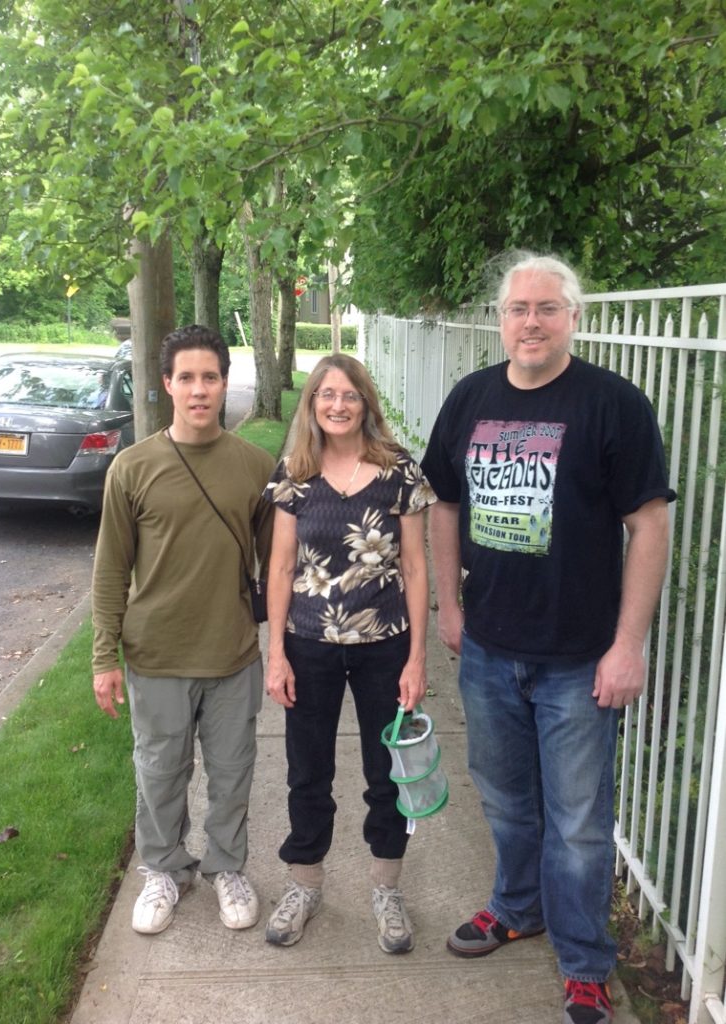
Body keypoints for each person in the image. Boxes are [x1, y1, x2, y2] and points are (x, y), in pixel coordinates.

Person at [420, 254, 675, 1024]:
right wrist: (447, 609)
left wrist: (627, 645)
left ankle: (584, 962)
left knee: (578, 825)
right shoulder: (470, 399)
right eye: (516, 308)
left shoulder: (612, 405)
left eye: (546, 308)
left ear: (573, 317)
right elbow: (442, 507)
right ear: (499, 319)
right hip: (490, 649)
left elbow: (649, 524)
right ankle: (516, 906)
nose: (530, 321)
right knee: (505, 802)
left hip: (578, 660)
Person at [91, 324, 274, 936]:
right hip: (156, 654)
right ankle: (165, 869)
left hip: (232, 655)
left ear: (225, 384)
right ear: (167, 385)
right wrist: (103, 657)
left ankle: (226, 867)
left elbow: (278, 568)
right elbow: (112, 567)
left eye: (211, 377)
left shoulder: (255, 467)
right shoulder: (131, 467)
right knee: (160, 771)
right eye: (187, 378)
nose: (200, 390)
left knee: (232, 772)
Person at [262, 353, 435, 953]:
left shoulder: (400, 472)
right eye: (326, 395)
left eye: (350, 395)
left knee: (386, 774)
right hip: (307, 647)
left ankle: (387, 889)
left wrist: (417, 658)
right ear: (312, 405)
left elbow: (415, 568)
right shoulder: (295, 474)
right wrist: (275, 653)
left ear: (366, 402)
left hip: (383, 649)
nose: (338, 405)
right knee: (308, 773)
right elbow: (280, 567)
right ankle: (305, 884)